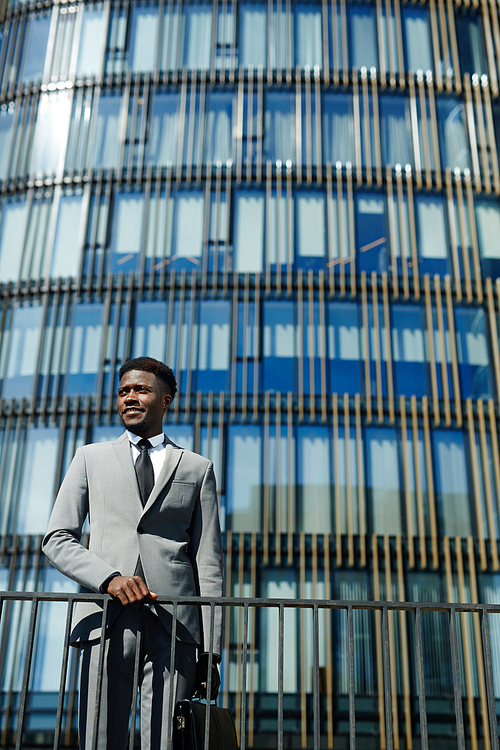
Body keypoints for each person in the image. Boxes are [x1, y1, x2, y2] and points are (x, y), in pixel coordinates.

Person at [42, 357, 223, 750]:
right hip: (103, 619)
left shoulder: (197, 467)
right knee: (98, 739)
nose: (130, 398)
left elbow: (207, 561)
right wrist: (110, 578)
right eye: (124, 391)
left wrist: (210, 651)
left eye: (141, 390)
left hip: (174, 627)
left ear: (166, 400)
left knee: (163, 742)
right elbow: (57, 538)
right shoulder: (90, 457)